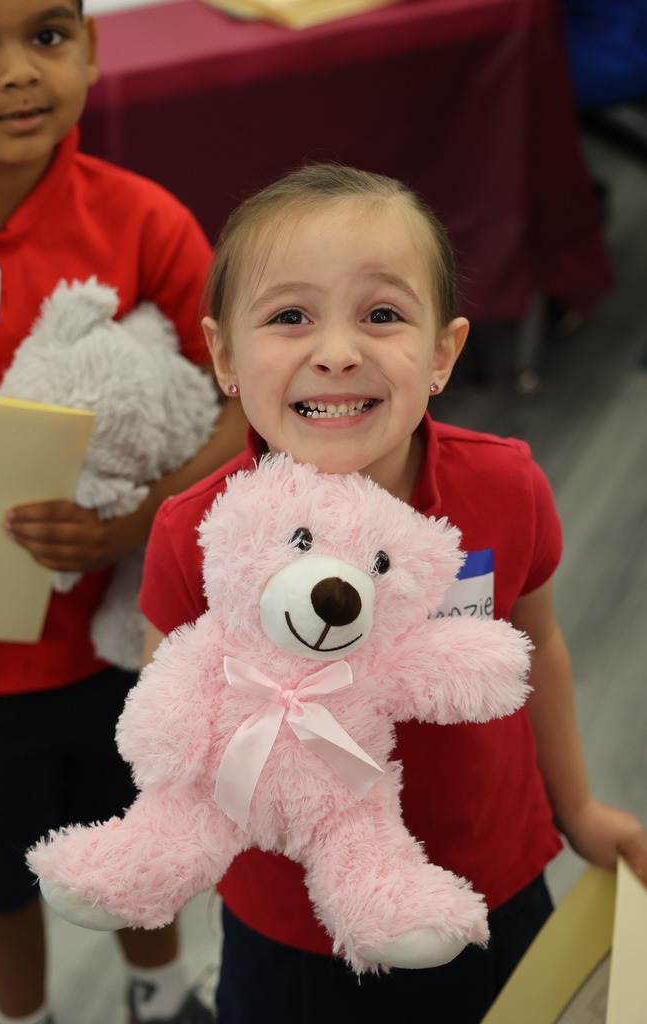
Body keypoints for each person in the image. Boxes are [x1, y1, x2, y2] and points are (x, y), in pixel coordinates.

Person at [138, 163, 647, 1024]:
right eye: (290, 316)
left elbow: (539, 651)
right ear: (223, 355)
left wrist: (578, 806)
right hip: (294, 923)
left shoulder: (505, 487)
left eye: (381, 315)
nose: (336, 351)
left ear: (442, 352)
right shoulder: (194, 532)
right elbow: (169, 722)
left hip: (492, 884)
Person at [0, 2, 246, 1023]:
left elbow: (242, 392)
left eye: (46, 35)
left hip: (127, 642)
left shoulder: (142, 219)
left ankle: (161, 994)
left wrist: (139, 523)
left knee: (142, 842)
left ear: (89, 48)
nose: (15, 74)